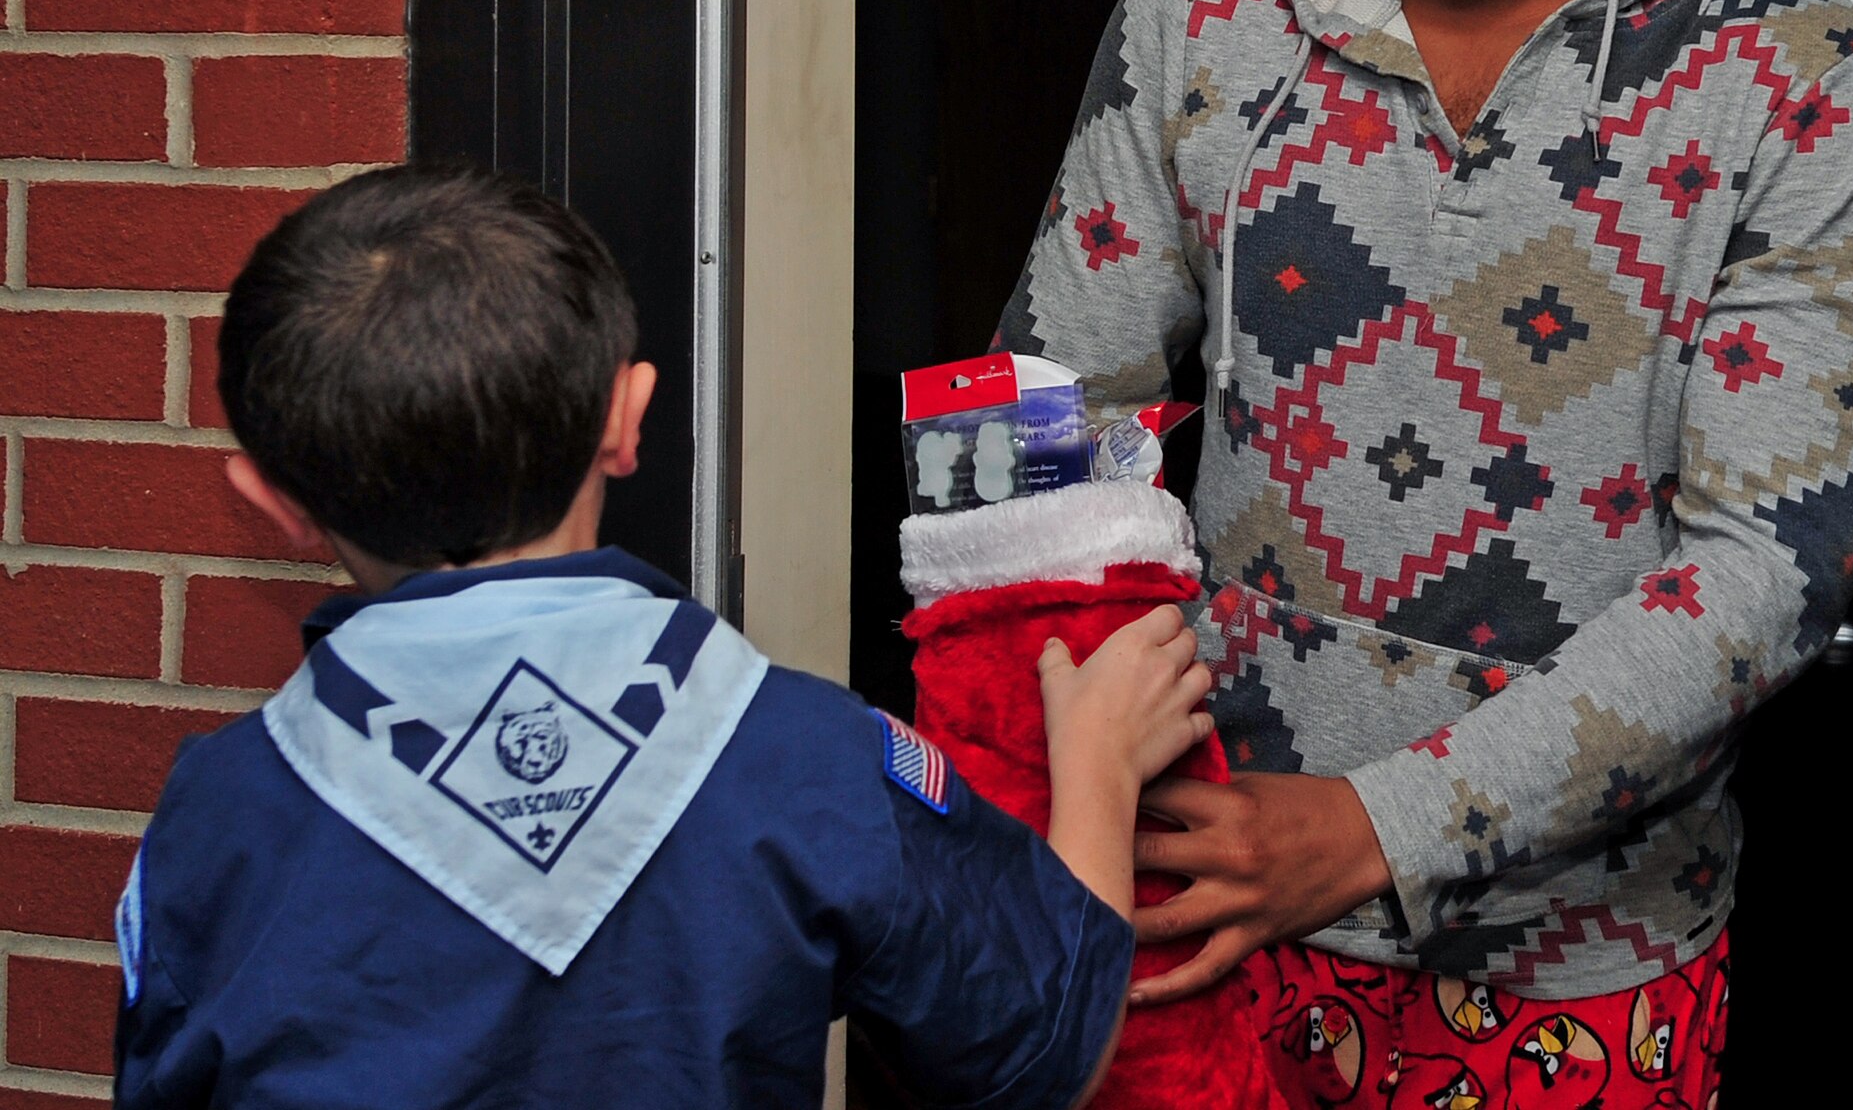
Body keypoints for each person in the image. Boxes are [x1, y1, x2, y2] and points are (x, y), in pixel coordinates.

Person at [995, 0, 1853, 1107]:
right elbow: (1053, 412)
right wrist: (1049, 783)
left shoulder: (1803, 74)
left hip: (1583, 973)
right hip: (1197, 912)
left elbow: (1766, 576)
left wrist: (1375, 826)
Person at [112, 163, 1216, 1109]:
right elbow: (1037, 1054)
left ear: (273, 504)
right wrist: (1097, 768)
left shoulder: (216, 814)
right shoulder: (804, 757)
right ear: (627, 418)